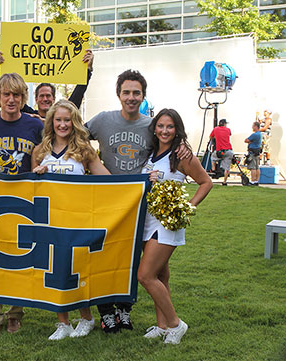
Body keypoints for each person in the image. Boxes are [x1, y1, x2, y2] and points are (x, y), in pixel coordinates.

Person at [85, 69, 191, 333]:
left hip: (141, 205)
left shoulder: (150, 126)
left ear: (143, 95)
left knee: (135, 262)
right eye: (126, 92)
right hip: (108, 200)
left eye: (136, 93)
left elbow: (169, 144)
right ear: (118, 94)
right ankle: (107, 312)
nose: (131, 97)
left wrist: (183, 145)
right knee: (106, 256)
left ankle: (127, 311)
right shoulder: (102, 120)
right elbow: (70, 132)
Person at [31, 99, 110, 340]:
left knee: (76, 269)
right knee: (55, 271)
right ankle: (62, 322)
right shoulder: (40, 151)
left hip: (76, 218)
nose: (63, 125)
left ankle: (86, 318)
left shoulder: (84, 149)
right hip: (49, 219)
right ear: (51, 122)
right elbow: (30, 187)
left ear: (74, 122)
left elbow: (106, 179)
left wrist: (137, 183)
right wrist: (36, 174)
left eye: (67, 120)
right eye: (58, 120)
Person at [0, 73, 44, 335]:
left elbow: (39, 161)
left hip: (24, 201)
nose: (11, 99)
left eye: (16, 95)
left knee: (20, 260)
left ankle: (15, 313)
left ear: (23, 97)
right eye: (6, 94)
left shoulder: (34, 126)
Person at [139, 108, 212, 344]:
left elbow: (205, 182)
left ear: (177, 129)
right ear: (154, 128)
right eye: (160, 126)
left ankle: (176, 324)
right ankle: (162, 327)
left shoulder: (182, 155)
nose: (164, 131)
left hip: (167, 223)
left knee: (146, 275)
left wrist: (188, 207)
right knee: (161, 275)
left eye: (170, 126)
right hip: (148, 221)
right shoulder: (152, 153)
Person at [0, 49, 94, 120]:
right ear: (36, 99)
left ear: (54, 99)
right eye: (41, 96)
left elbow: (76, 99)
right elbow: (12, 89)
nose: (45, 99)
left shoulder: (61, 119)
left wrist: (87, 70)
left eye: (48, 96)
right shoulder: (30, 116)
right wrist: (1, 68)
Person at [209, 119, 233, 186]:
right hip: (229, 150)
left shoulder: (216, 129)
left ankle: (213, 170)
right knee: (227, 167)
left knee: (213, 157)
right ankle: (224, 181)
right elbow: (229, 134)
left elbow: (210, 137)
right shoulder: (228, 130)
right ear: (224, 124)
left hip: (219, 151)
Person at [244, 121, 262, 186]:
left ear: (256, 126)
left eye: (253, 126)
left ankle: (253, 181)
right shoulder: (260, 134)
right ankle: (256, 181)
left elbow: (246, 140)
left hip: (252, 153)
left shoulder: (254, 134)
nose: (252, 127)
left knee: (253, 168)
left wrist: (250, 141)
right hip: (257, 152)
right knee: (257, 167)